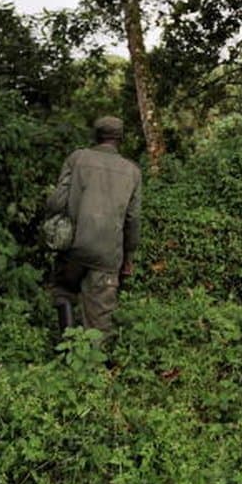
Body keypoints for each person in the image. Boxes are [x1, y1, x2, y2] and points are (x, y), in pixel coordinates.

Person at [45, 116, 142, 339]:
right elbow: (133, 220)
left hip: (74, 247)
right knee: (100, 317)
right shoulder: (133, 171)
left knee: (63, 291)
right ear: (120, 139)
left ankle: (68, 348)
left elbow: (56, 201)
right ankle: (95, 366)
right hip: (108, 255)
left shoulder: (77, 158)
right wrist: (128, 257)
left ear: (96, 137)